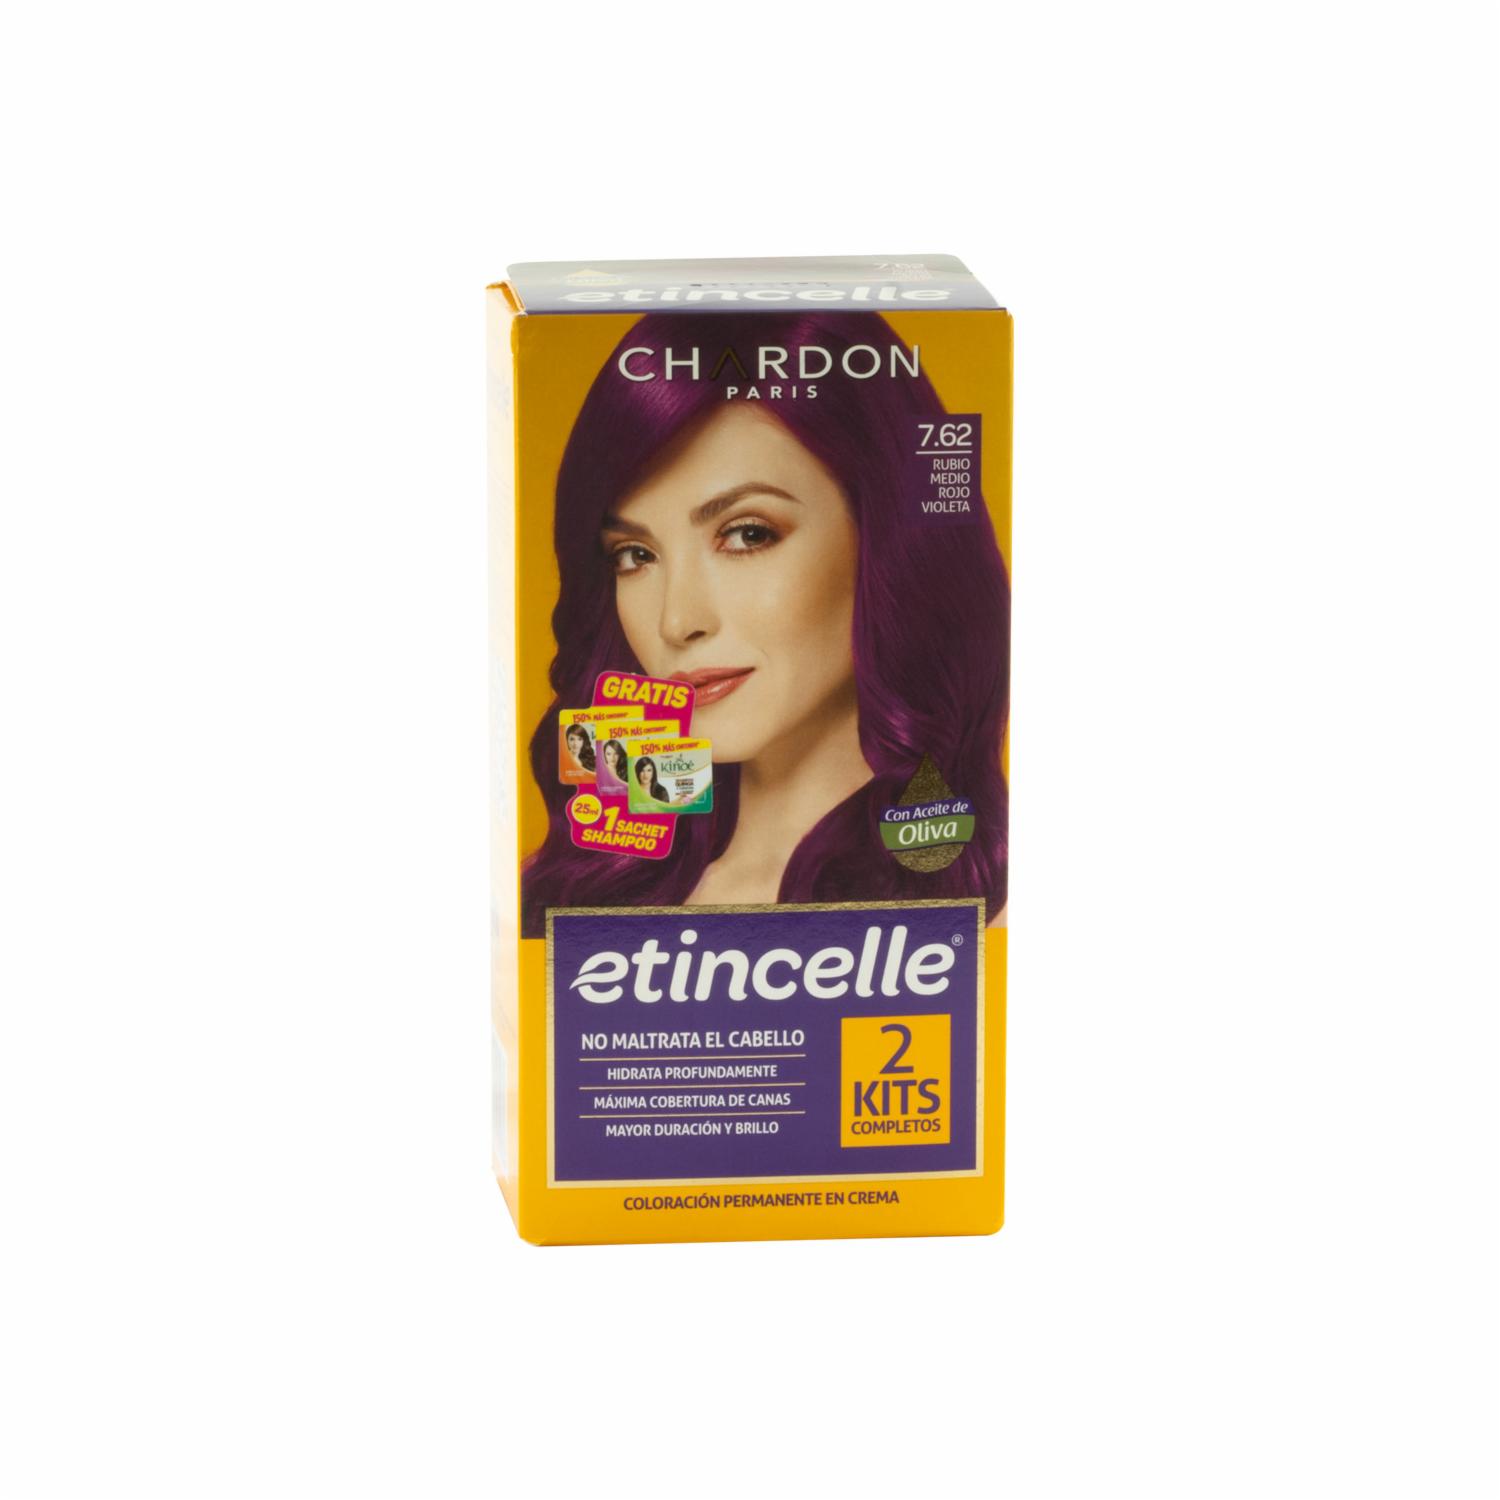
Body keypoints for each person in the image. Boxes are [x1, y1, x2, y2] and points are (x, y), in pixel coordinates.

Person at [522, 311, 1008, 936]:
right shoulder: (572, 898)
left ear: (884, 542)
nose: (677, 621)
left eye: (747, 535)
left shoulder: (983, 921)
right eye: (635, 555)